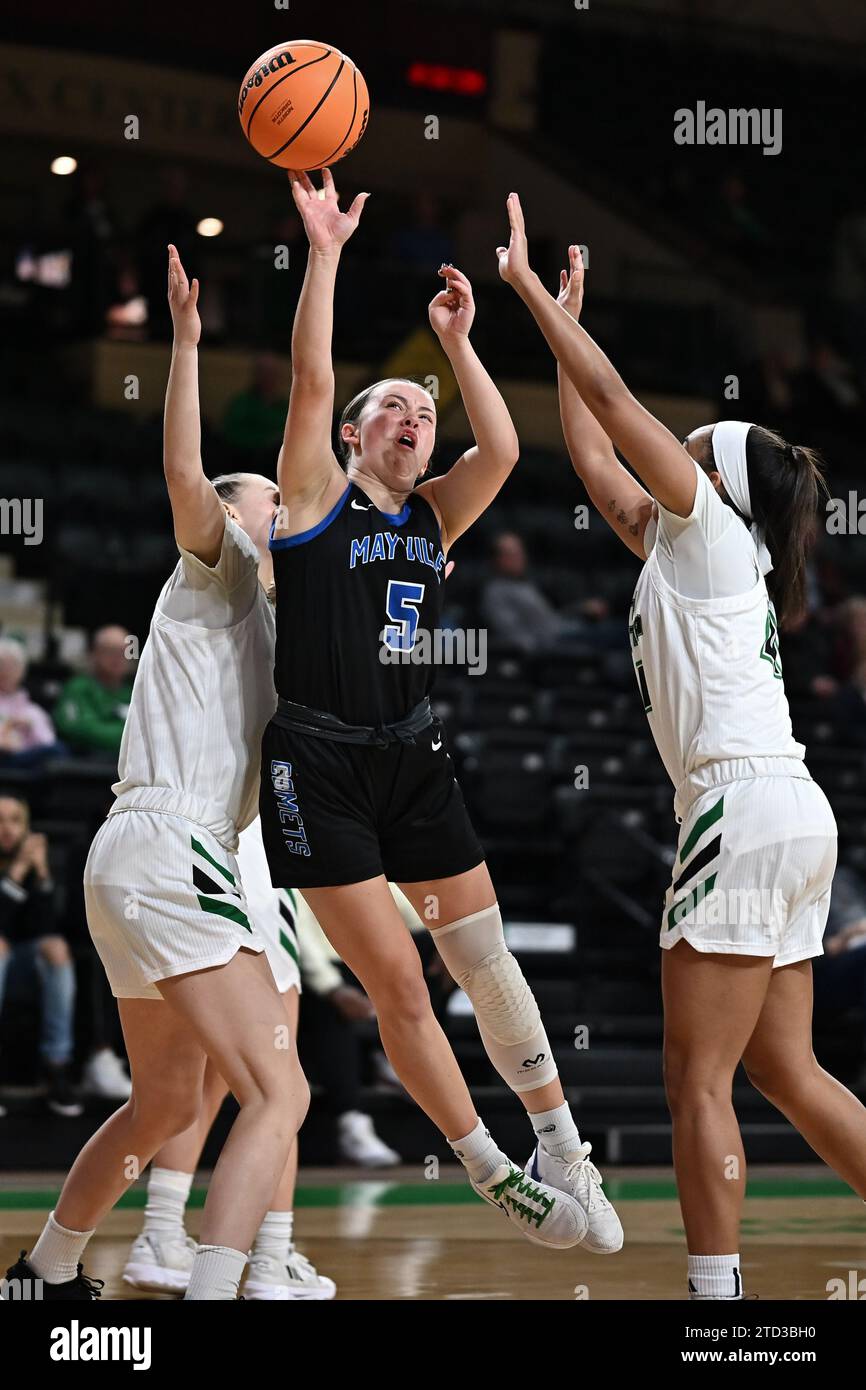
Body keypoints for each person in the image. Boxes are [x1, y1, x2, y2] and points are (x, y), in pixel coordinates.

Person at [498, 212, 866, 1298]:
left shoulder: (706, 522)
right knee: (786, 1070)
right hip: (791, 809)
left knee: (693, 1077)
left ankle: (716, 1302)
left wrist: (525, 293)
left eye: (694, 440)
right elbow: (594, 448)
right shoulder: (696, 545)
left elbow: (617, 409)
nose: (679, 443)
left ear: (710, 475)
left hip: (737, 808)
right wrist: (563, 329)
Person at [257, 168, 622, 1255]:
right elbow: (312, 379)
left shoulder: (434, 517)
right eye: (396, 408)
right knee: (402, 985)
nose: (413, 417)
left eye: (423, 411)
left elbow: (504, 452)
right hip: (316, 766)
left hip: (411, 754)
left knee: (485, 954)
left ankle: (560, 1140)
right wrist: (322, 254)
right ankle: (487, 1168)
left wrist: (456, 345)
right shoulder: (313, 497)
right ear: (356, 438)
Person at [3, 245, 308, 1303]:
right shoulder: (213, 563)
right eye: (270, 497)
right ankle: (225, 1283)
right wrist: (183, 344)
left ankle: (42, 1272)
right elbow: (185, 475)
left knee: (164, 1108)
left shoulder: (276, 618)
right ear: (233, 517)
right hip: (173, 848)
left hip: (137, 858)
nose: (282, 505)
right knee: (280, 1086)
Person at [122, 816, 335, 1300]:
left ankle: (160, 1233)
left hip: (174, 851)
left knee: (201, 1082)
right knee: (278, 1088)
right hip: (251, 858)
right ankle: (272, 1255)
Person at [0, 793, 81, 1118]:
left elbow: (45, 927)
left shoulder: (37, 869)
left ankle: (56, 1066)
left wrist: (42, 874)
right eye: (0, 820)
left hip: (23, 969)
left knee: (56, 947)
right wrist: (16, 872)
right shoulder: (20, 868)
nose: (7, 828)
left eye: (15, 820)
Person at [53, 626, 134, 758]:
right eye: (111, 651)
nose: (118, 658)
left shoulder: (133, 693)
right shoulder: (78, 688)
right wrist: (128, 736)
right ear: (95, 653)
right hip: (84, 765)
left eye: (126, 652)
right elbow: (79, 729)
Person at [0, 640, 64, 769]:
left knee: (58, 751)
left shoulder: (34, 712)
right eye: (1, 665)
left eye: (12, 666)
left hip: (28, 765)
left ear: (22, 671)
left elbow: (49, 744)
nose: (6, 671)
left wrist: (31, 728)